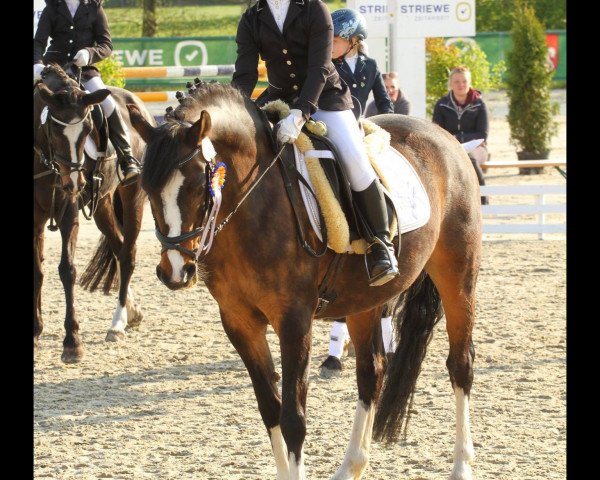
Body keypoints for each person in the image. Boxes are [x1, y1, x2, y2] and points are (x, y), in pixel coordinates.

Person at [232, 0, 399, 286]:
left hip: (325, 99)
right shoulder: (252, 18)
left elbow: (320, 66)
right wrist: (233, 110)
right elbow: (245, 75)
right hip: (278, 99)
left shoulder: (314, 9)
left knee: (352, 157)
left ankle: (379, 244)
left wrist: (300, 113)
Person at [34, 0, 140, 182]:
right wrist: (37, 63)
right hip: (54, 71)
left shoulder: (94, 7)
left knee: (108, 104)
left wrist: (89, 53)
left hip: (84, 71)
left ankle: (126, 157)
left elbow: (106, 45)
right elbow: (38, 42)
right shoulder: (53, 7)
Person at [432, 66, 489, 204]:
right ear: (451, 83)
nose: (461, 85)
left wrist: (459, 138)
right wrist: (455, 141)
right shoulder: (441, 105)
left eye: (464, 81)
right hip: (450, 147)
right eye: (457, 81)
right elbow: (437, 132)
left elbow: (482, 134)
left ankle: (483, 200)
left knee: (470, 159)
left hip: (477, 148)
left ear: (470, 83)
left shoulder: (479, 105)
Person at [330, 8, 393, 119]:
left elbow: (384, 102)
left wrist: (390, 124)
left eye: (334, 41)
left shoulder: (371, 65)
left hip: (358, 125)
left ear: (353, 41)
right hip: (327, 125)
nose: (329, 46)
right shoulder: (326, 65)